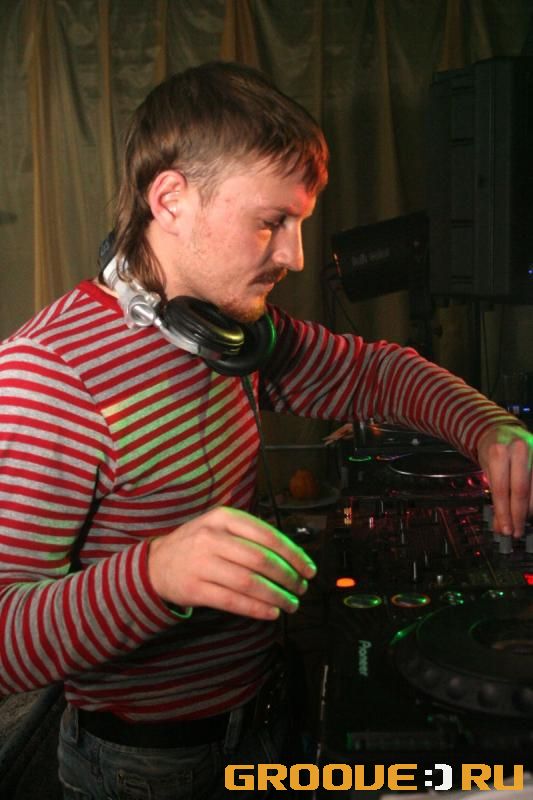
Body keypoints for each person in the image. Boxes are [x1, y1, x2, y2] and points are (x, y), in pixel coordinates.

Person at [0, 61, 531, 800]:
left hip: (268, 712)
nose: (295, 255)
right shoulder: (46, 376)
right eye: (271, 222)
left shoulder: (229, 333)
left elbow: (376, 373)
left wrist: (490, 428)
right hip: (147, 767)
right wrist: (155, 575)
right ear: (171, 199)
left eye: (298, 223)